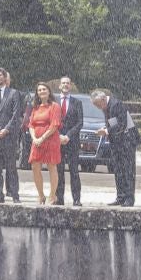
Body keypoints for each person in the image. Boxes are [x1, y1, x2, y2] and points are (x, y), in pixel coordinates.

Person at [91, 88, 137, 206]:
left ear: (102, 99)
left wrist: (106, 131)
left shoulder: (116, 104)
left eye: (97, 105)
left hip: (127, 141)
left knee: (127, 170)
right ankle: (120, 196)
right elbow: (113, 123)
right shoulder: (107, 106)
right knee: (118, 170)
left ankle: (129, 198)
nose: (97, 107)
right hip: (117, 142)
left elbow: (122, 124)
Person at [25, 81, 64, 204]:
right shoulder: (35, 108)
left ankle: (52, 195)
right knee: (35, 166)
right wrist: (35, 138)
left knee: (52, 166)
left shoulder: (55, 106)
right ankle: (41, 195)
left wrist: (42, 138)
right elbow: (31, 124)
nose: (42, 91)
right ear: (37, 93)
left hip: (50, 139)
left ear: (49, 91)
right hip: (36, 141)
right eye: (39, 90)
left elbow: (54, 125)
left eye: (44, 89)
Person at [0, 67, 22, 204]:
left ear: (5, 77)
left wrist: (6, 129)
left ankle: (15, 195)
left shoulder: (14, 93)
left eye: (0, 75)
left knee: (11, 166)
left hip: (8, 136)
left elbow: (16, 114)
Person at [54, 77, 83, 207]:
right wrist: (59, 136)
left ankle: (76, 199)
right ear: (59, 86)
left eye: (68, 83)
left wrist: (68, 136)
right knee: (58, 171)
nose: (65, 85)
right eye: (63, 83)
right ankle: (59, 198)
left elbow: (80, 122)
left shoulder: (77, 102)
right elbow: (51, 121)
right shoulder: (53, 102)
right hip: (57, 141)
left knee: (74, 171)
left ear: (70, 86)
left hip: (72, 142)